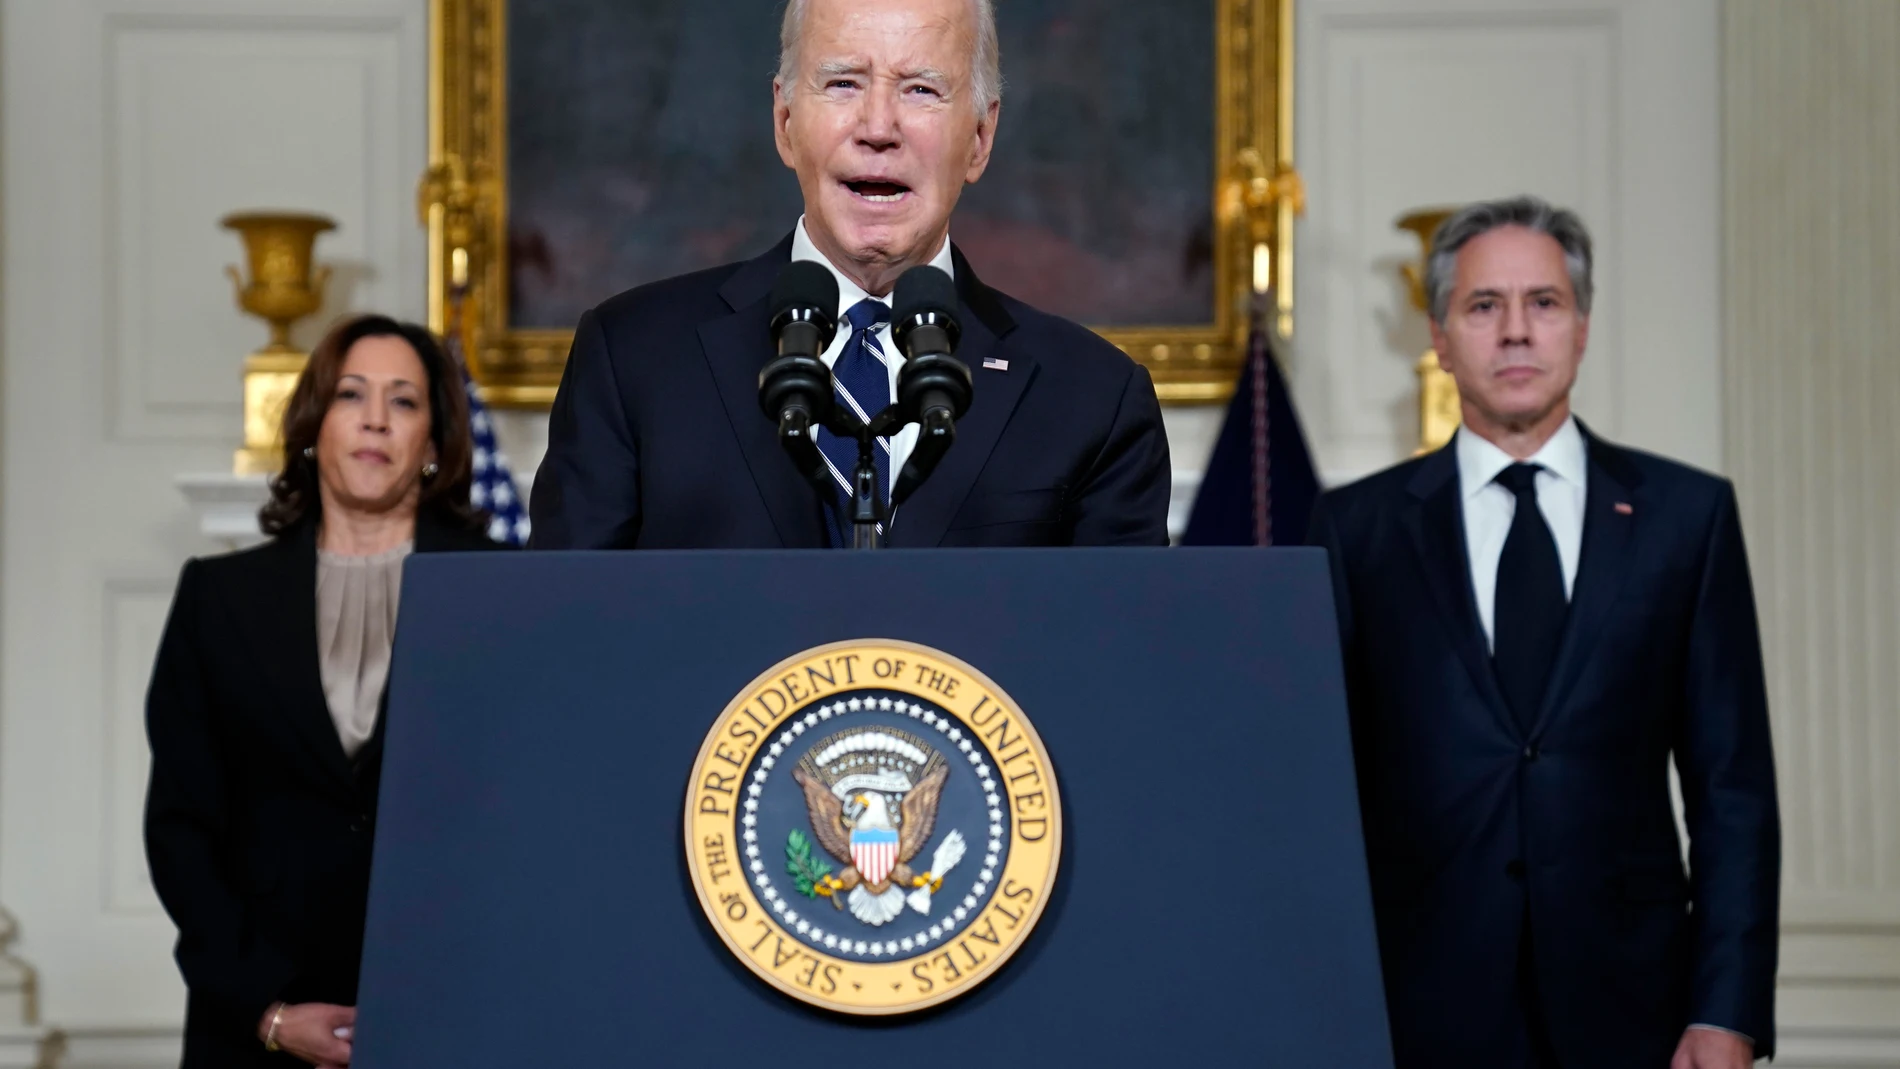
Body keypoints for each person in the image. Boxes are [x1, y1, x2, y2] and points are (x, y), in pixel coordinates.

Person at [1307, 197, 1779, 1068]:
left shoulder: (1686, 518)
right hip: (1412, 1019)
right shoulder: (1354, 530)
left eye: (1545, 303)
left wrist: (1728, 1011)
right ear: (1440, 336)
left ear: (1583, 327)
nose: (1516, 331)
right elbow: (1314, 794)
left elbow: (1733, 792)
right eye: (1484, 306)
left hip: (1637, 1017)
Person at [529, 0, 1171, 549]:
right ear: (785, 123)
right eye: (843, 84)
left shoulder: (1094, 398)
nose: (878, 128)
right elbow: (564, 640)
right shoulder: (633, 357)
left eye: (921, 89)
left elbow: (1117, 664)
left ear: (979, 138)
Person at [144, 315, 510, 1067]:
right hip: (255, 1026)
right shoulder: (218, 597)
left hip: (455, 1013)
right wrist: (268, 1010)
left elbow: (527, 818)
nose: (377, 417)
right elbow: (181, 829)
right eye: (352, 394)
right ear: (315, 425)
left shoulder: (503, 592)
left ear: (435, 442)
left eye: (404, 401)